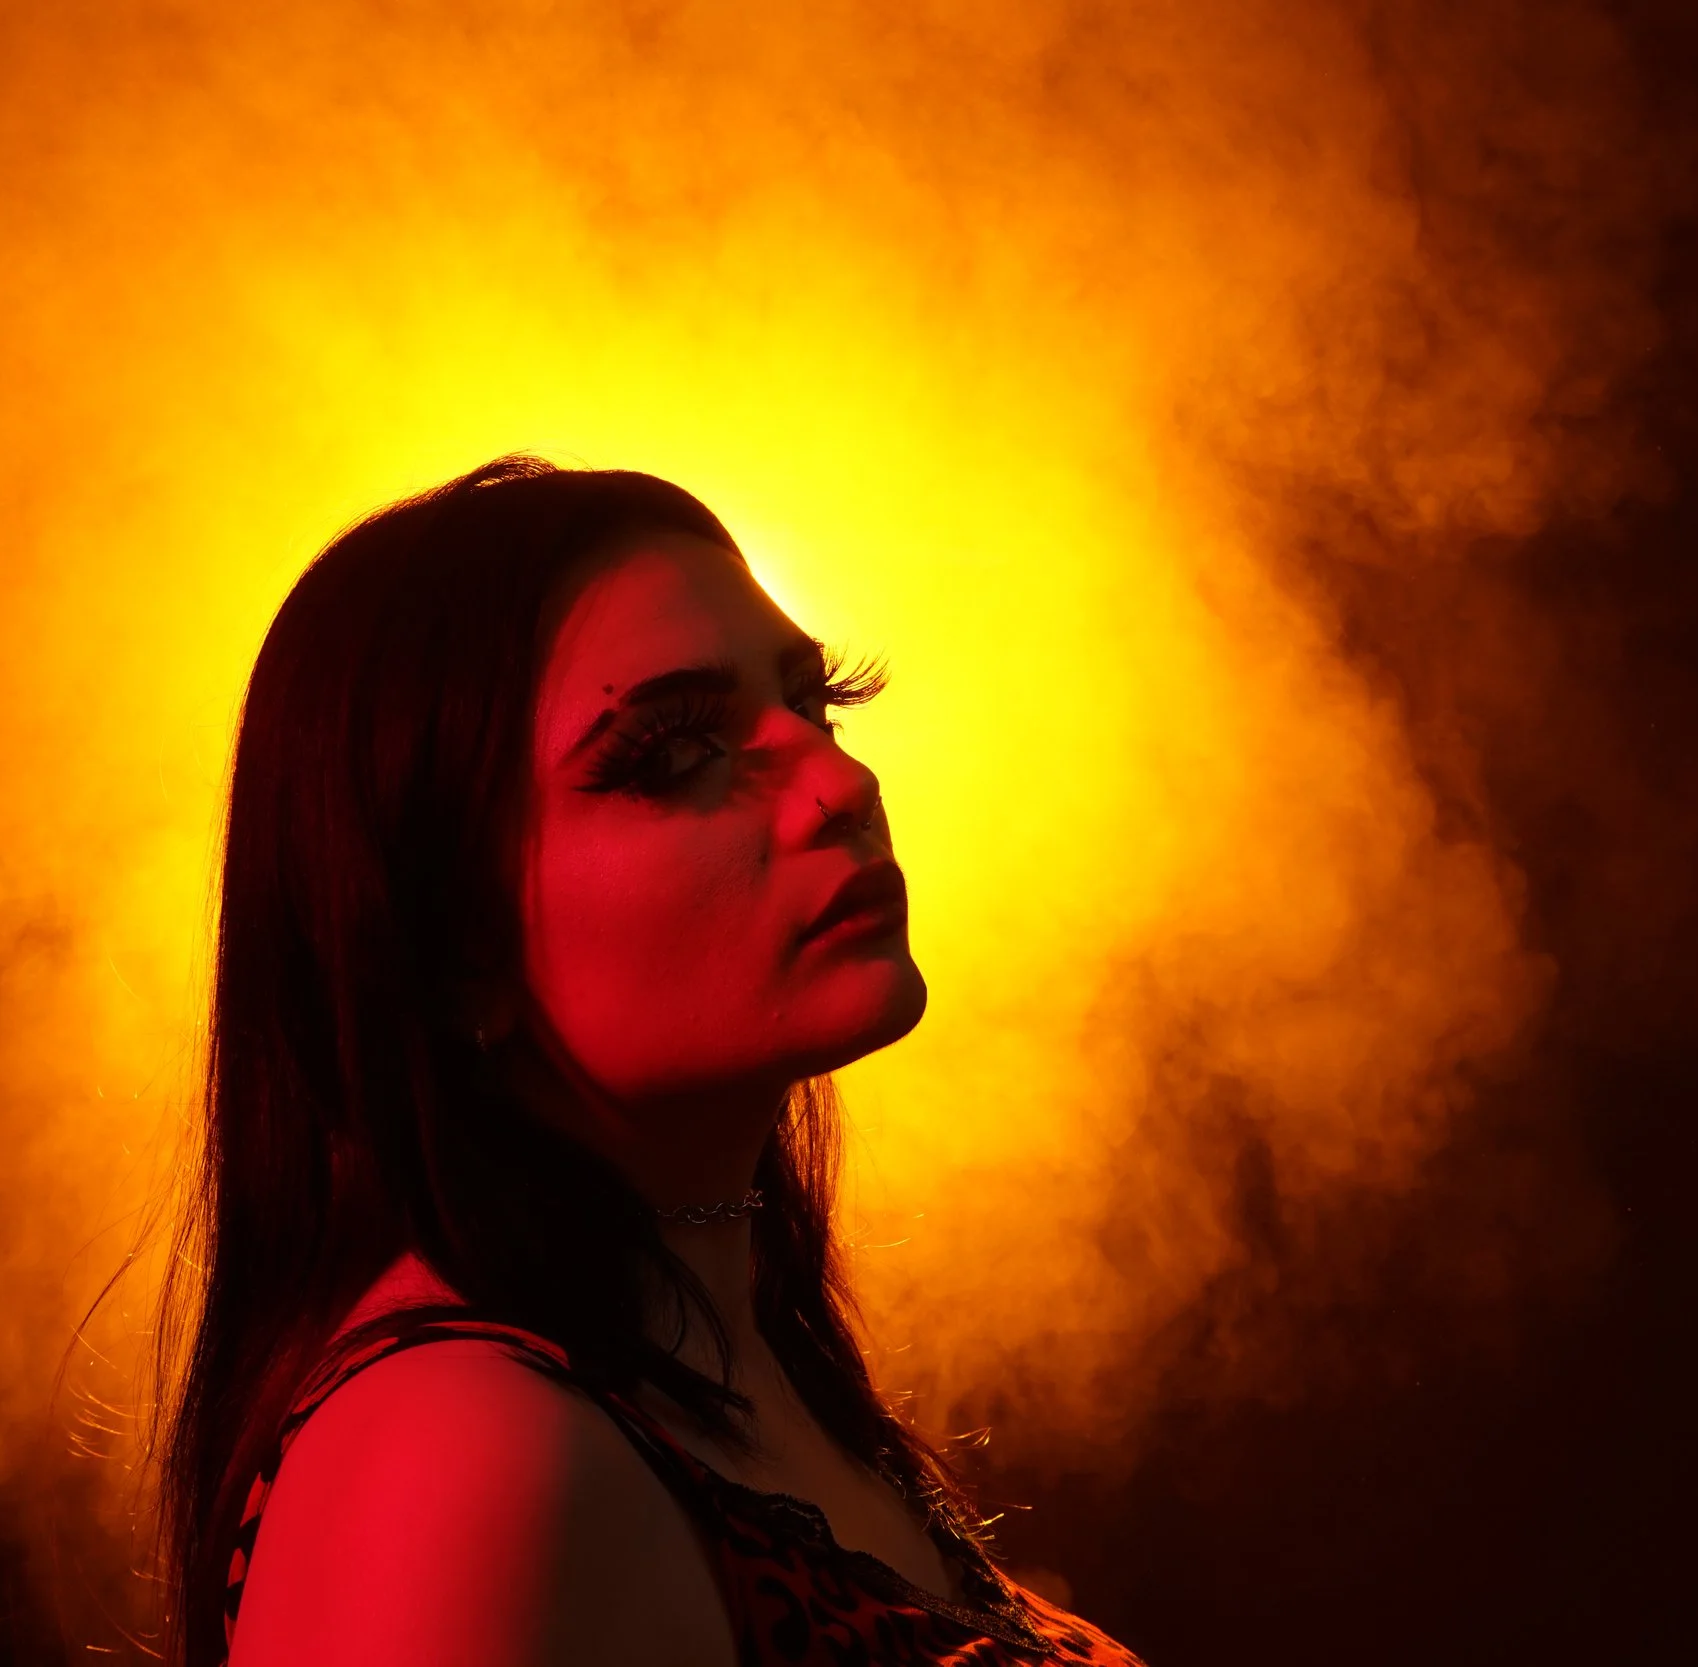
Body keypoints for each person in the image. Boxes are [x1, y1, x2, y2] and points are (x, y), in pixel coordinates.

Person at [157, 457, 1148, 1665]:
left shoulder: (719, 1370)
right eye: (675, 752)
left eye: (815, 702)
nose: (842, 783)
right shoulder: (457, 1454)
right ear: (446, 948)